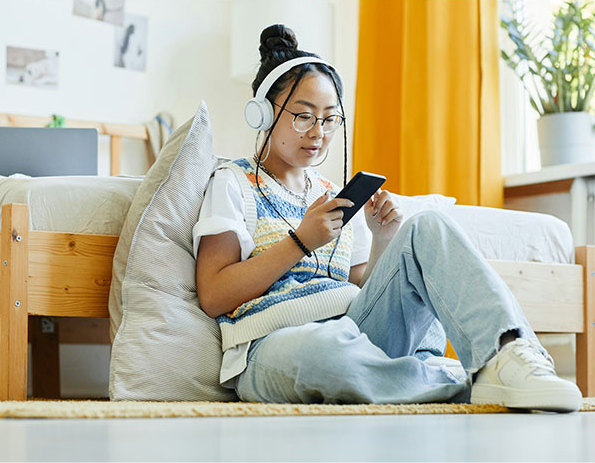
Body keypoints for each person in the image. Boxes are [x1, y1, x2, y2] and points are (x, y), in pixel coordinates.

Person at [193, 24, 582, 412]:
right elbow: (213, 295)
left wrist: (382, 239)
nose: (318, 133)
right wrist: (300, 242)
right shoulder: (232, 182)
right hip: (273, 346)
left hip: (354, 331)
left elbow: (366, 291)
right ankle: (460, 382)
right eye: (303, 116)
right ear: (263, 114)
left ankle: (511, 356)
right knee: (328, 354)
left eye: (330, 119)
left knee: (427, 226)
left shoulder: (333, 195)